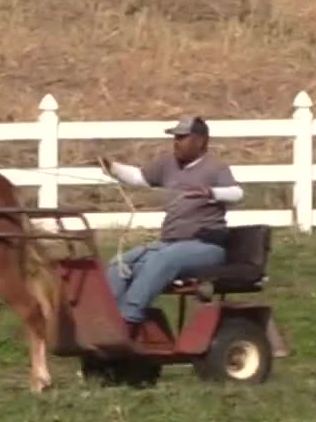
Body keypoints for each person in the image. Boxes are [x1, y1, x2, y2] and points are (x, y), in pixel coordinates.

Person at [97, 115, 244, 329]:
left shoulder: (215, 168)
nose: (176, 142)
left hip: (205, 246)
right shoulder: (168, 164)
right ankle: (109, 321)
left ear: (200, 141)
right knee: (120, 264)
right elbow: (140, 177)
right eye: (175, 137)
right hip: (169, 244)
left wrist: (211, 192)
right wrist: (114, 168)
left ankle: (129, 318)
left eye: (182, 137)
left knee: (163, 260)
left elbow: (237, 193)